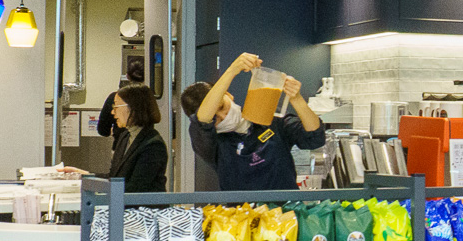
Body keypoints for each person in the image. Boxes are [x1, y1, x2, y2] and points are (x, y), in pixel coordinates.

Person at [181, 52, 325, 191]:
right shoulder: (210, 145)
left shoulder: (269, 119)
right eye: (215, 118)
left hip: (286, 206)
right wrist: (232, 70)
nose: (223, 116)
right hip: (241, 208)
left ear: (229, 95)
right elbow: (203, 120)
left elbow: (315, 138)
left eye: (222, 107)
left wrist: (296, 99)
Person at [106, 83, 169, 193]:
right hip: (123, 201)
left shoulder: (153, 145)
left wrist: (101, 188)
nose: (112, 112)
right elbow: (114, 177)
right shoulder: (125, 136)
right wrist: (84, 176)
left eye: (116, 106)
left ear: (133, 108)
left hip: (143, 204)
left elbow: (136, 188)